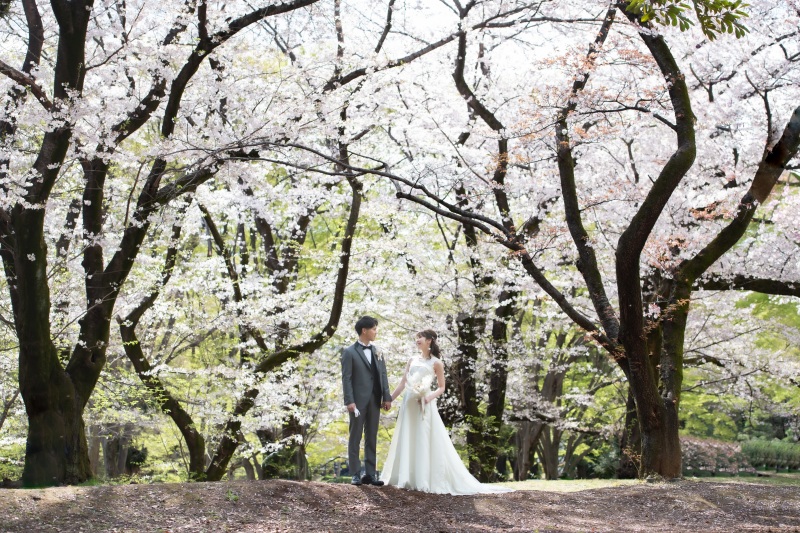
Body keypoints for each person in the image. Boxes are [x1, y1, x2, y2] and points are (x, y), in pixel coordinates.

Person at [379, 329, 513, 495]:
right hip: (409, 403)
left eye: (420, 337)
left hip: (424, 403)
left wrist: (428, 397)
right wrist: (390, 399)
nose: (417, 340)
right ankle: (405, 476)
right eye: (416, 338)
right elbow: (402, 383)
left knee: (422, 437)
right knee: (407, 435)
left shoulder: (436, 363)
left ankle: (422, 478)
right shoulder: (412, 359)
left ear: (429, 341)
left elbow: (442, 387)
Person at [341, 315, 392, 486]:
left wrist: (387, 397)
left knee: (372, 436)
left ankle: (370, 474)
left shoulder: (378, 351)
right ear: (364, 330)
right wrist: (349, 401)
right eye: (374, 329)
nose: (376, 332)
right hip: (357, 401)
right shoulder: (349, 352)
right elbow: (346, 378)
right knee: (355, 436)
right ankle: (355, 473)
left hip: (375, 399)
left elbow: (383, 375)